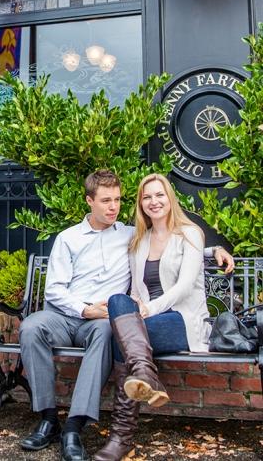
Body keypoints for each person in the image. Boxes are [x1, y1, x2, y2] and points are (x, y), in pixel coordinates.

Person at [19, 170, 233, 461]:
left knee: (114, 327)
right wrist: (84, 308)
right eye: (106, 200)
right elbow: (54, 290)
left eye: (118, 200)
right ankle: (48, 418)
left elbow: (180, 252)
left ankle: (76, 426)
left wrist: (215, 250)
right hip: (70, 315)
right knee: (32, 326)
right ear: (89, 201)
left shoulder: (132, 234)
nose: (113, 207)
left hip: (123, 320)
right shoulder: (79, 238)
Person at [94, 173, 219, 461]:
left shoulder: (190, 234)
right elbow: (136, 292)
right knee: (118, 300)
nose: (154, 201)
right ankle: (146, 376)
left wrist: (149, 309)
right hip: (148, 321)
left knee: (120, 339)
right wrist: (138, 307)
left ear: (170, 198)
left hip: (183, 320)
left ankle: (121, 437)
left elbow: (185, 285)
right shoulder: (139, 241)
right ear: (141, 204)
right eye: (147, 197)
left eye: (159, 195)